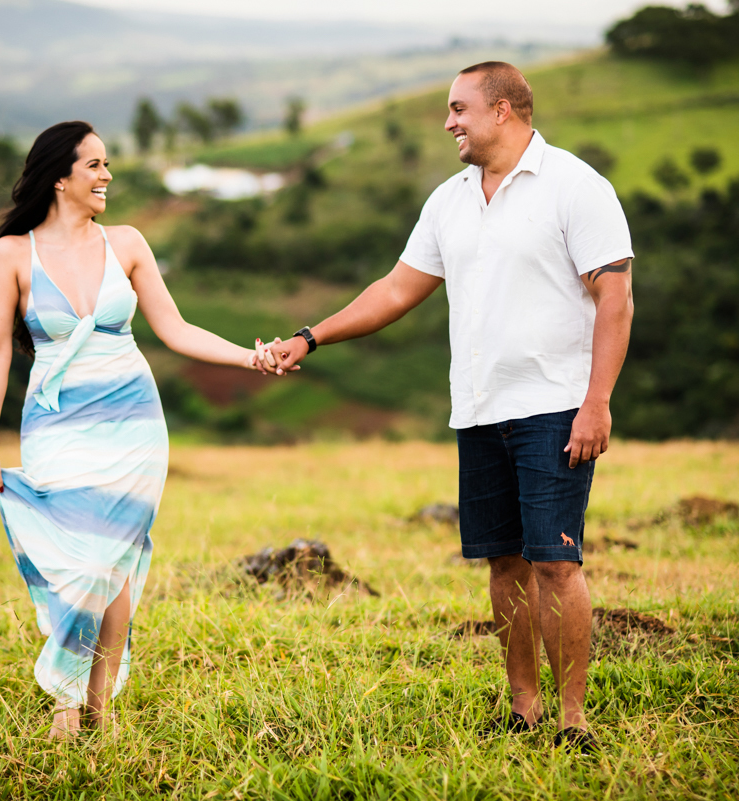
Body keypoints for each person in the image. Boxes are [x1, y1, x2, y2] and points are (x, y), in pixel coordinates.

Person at [265, 62, 634, 754]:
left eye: (459, 108)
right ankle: (523, 708)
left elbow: (615, 297)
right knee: (502, 563)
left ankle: (573, 722)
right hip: (478, 408)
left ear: (503, 110)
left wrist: (597, 401)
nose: (448, 122)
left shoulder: (576, 186)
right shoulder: (450, 200)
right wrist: (310, 337)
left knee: (556, 561)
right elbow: (397, 289)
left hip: (556, 405)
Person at [0, 121, 275, 740]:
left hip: (134, 422)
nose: (107, 176)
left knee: (114, 561)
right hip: (56, 423)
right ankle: (64, 703)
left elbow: (177, 329)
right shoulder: (11, 254)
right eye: (95, 166)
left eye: (108, 164)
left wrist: (250, 356)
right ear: (60, 177)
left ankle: (100, 711)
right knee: (78, 563)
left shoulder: (128, 243)